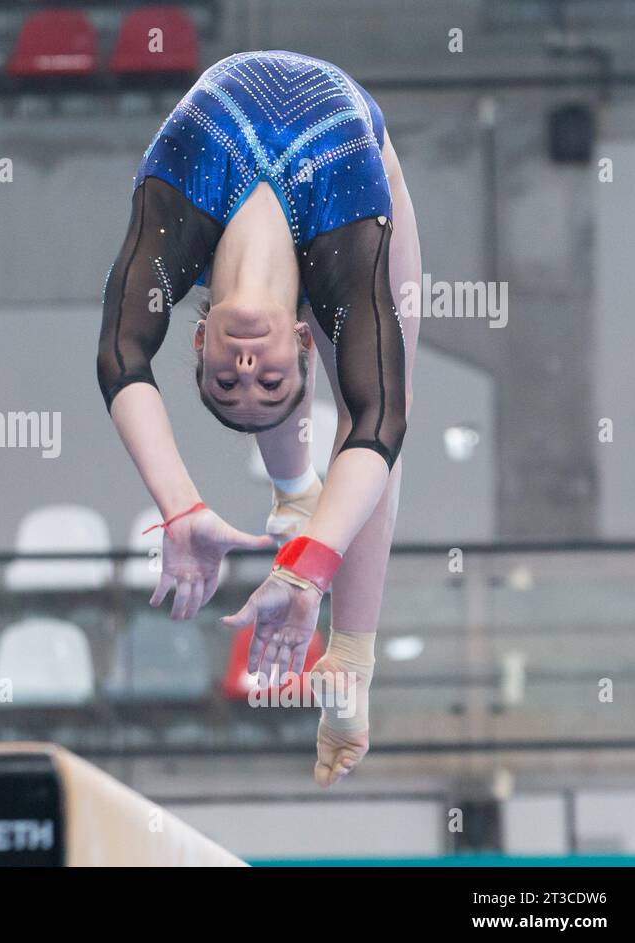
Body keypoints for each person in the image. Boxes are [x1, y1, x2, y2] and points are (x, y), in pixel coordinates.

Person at [96, 50, 421, 786]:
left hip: (246, 185)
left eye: (224, 376)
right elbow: (381, 419)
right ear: (305, 342)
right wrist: (308, 580)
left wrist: (179, 508)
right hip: (360, 189)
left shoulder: (176, 217)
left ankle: (296, 499)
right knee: (376, 408)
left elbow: (120, 355)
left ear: (198, 336)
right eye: (267, 375)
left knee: (368, 422)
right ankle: (350, 663)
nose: (245, 367)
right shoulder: (349, 237)